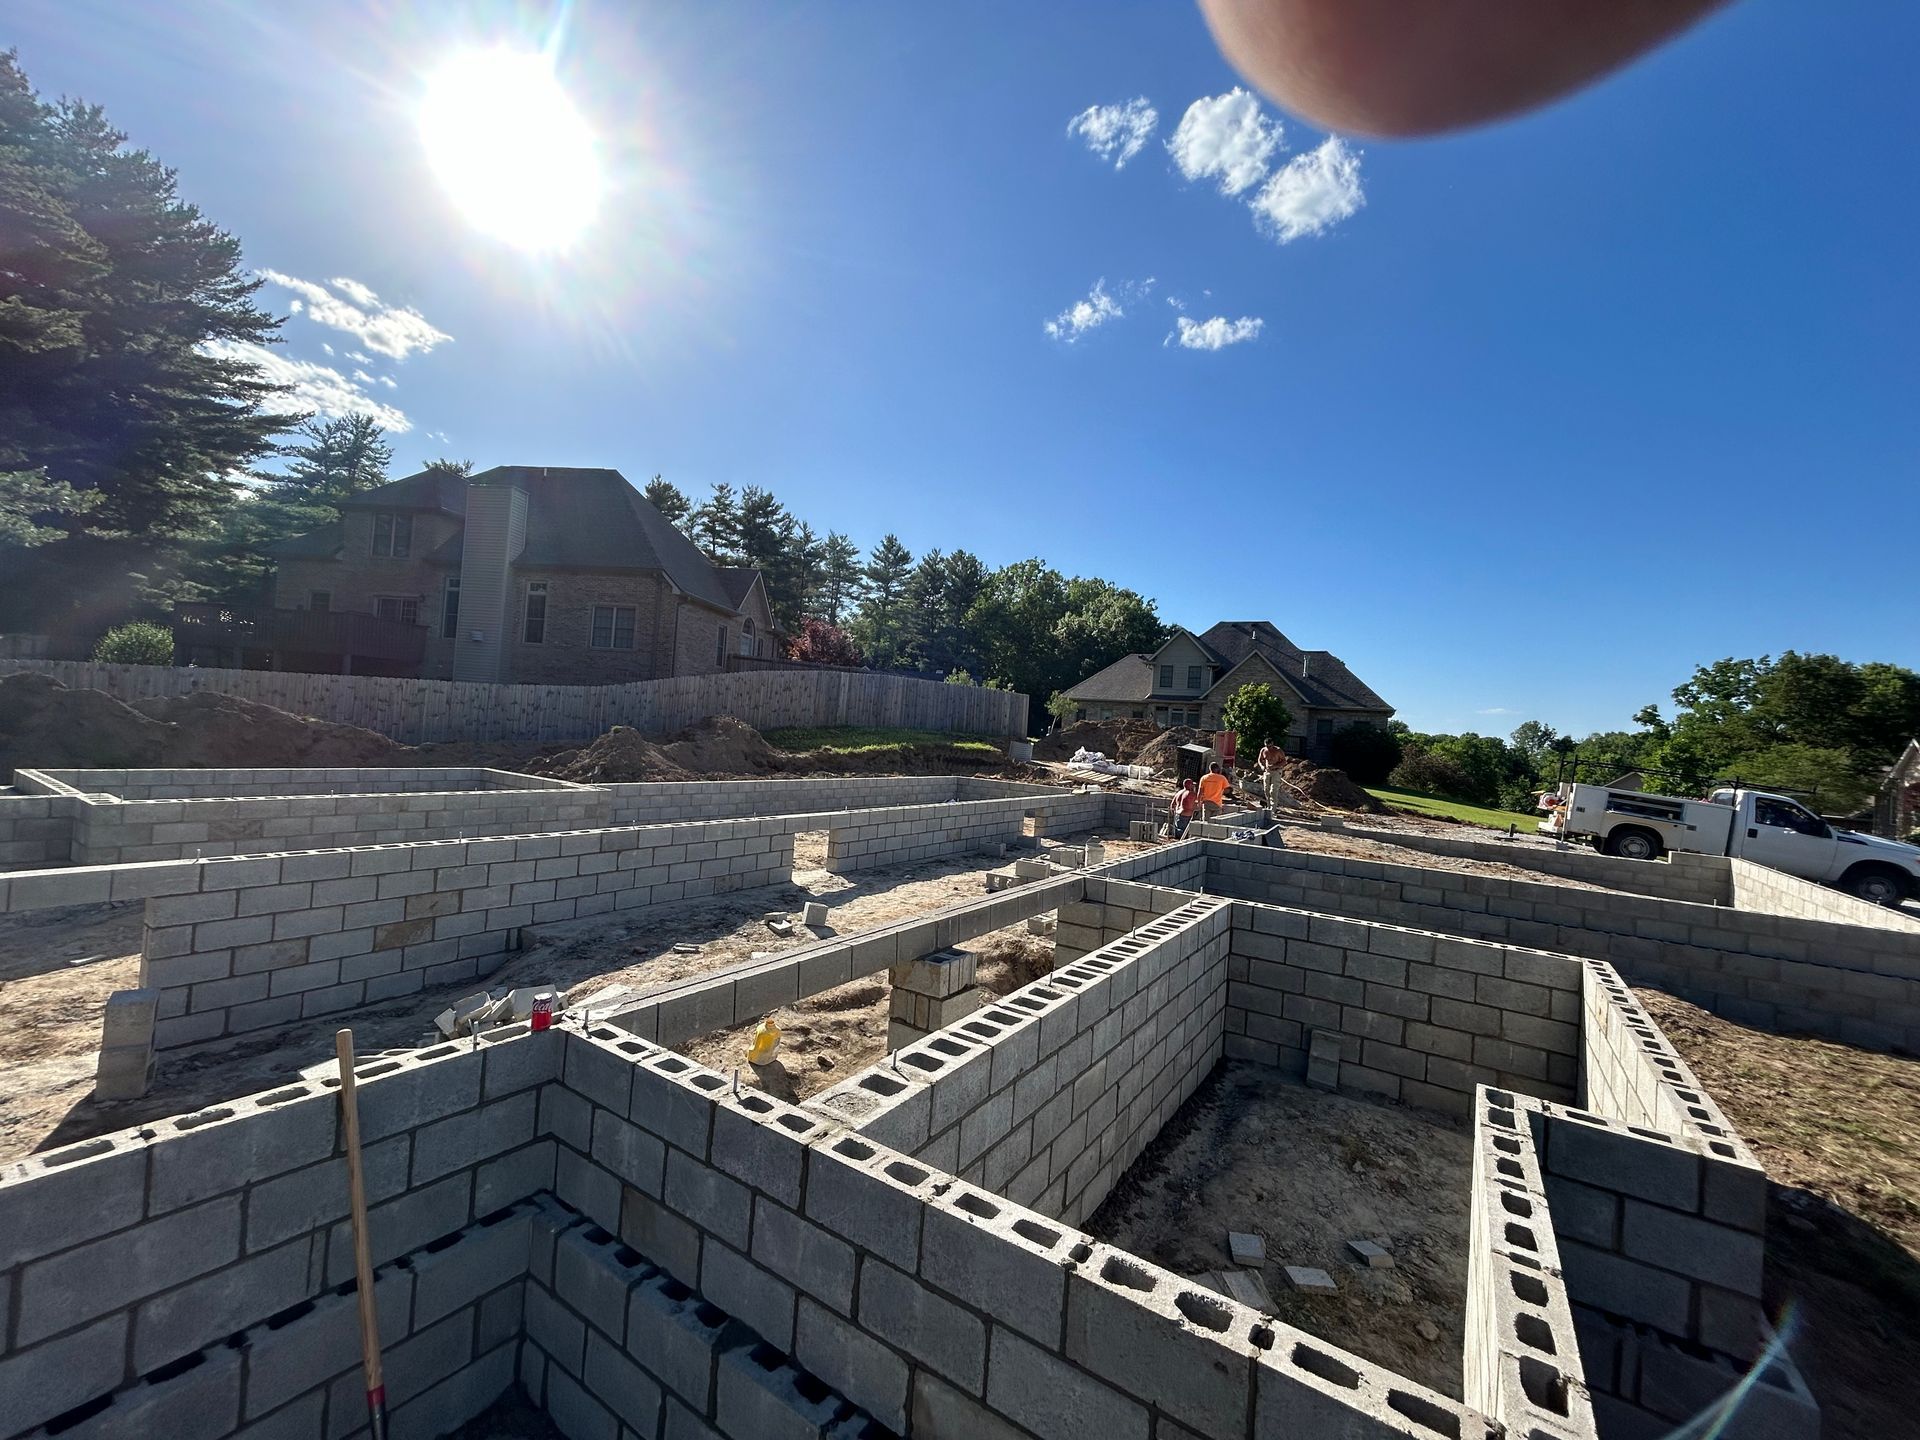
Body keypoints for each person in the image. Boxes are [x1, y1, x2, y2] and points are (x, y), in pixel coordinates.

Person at [1257, 737, 1289, 812]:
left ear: (1272, 744)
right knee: (1266, 790)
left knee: (1273, 790)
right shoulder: (1263, 750)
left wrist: (1276, 766)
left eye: (1270, 746)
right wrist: (1262, 766)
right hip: (1267, 772)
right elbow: (1260, 759)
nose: (1268, 748)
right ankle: (1268, 806)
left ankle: (1273, 809)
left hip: (1276, 772)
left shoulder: (1278, 750)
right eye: (1267, 746)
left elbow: (1284, 761)